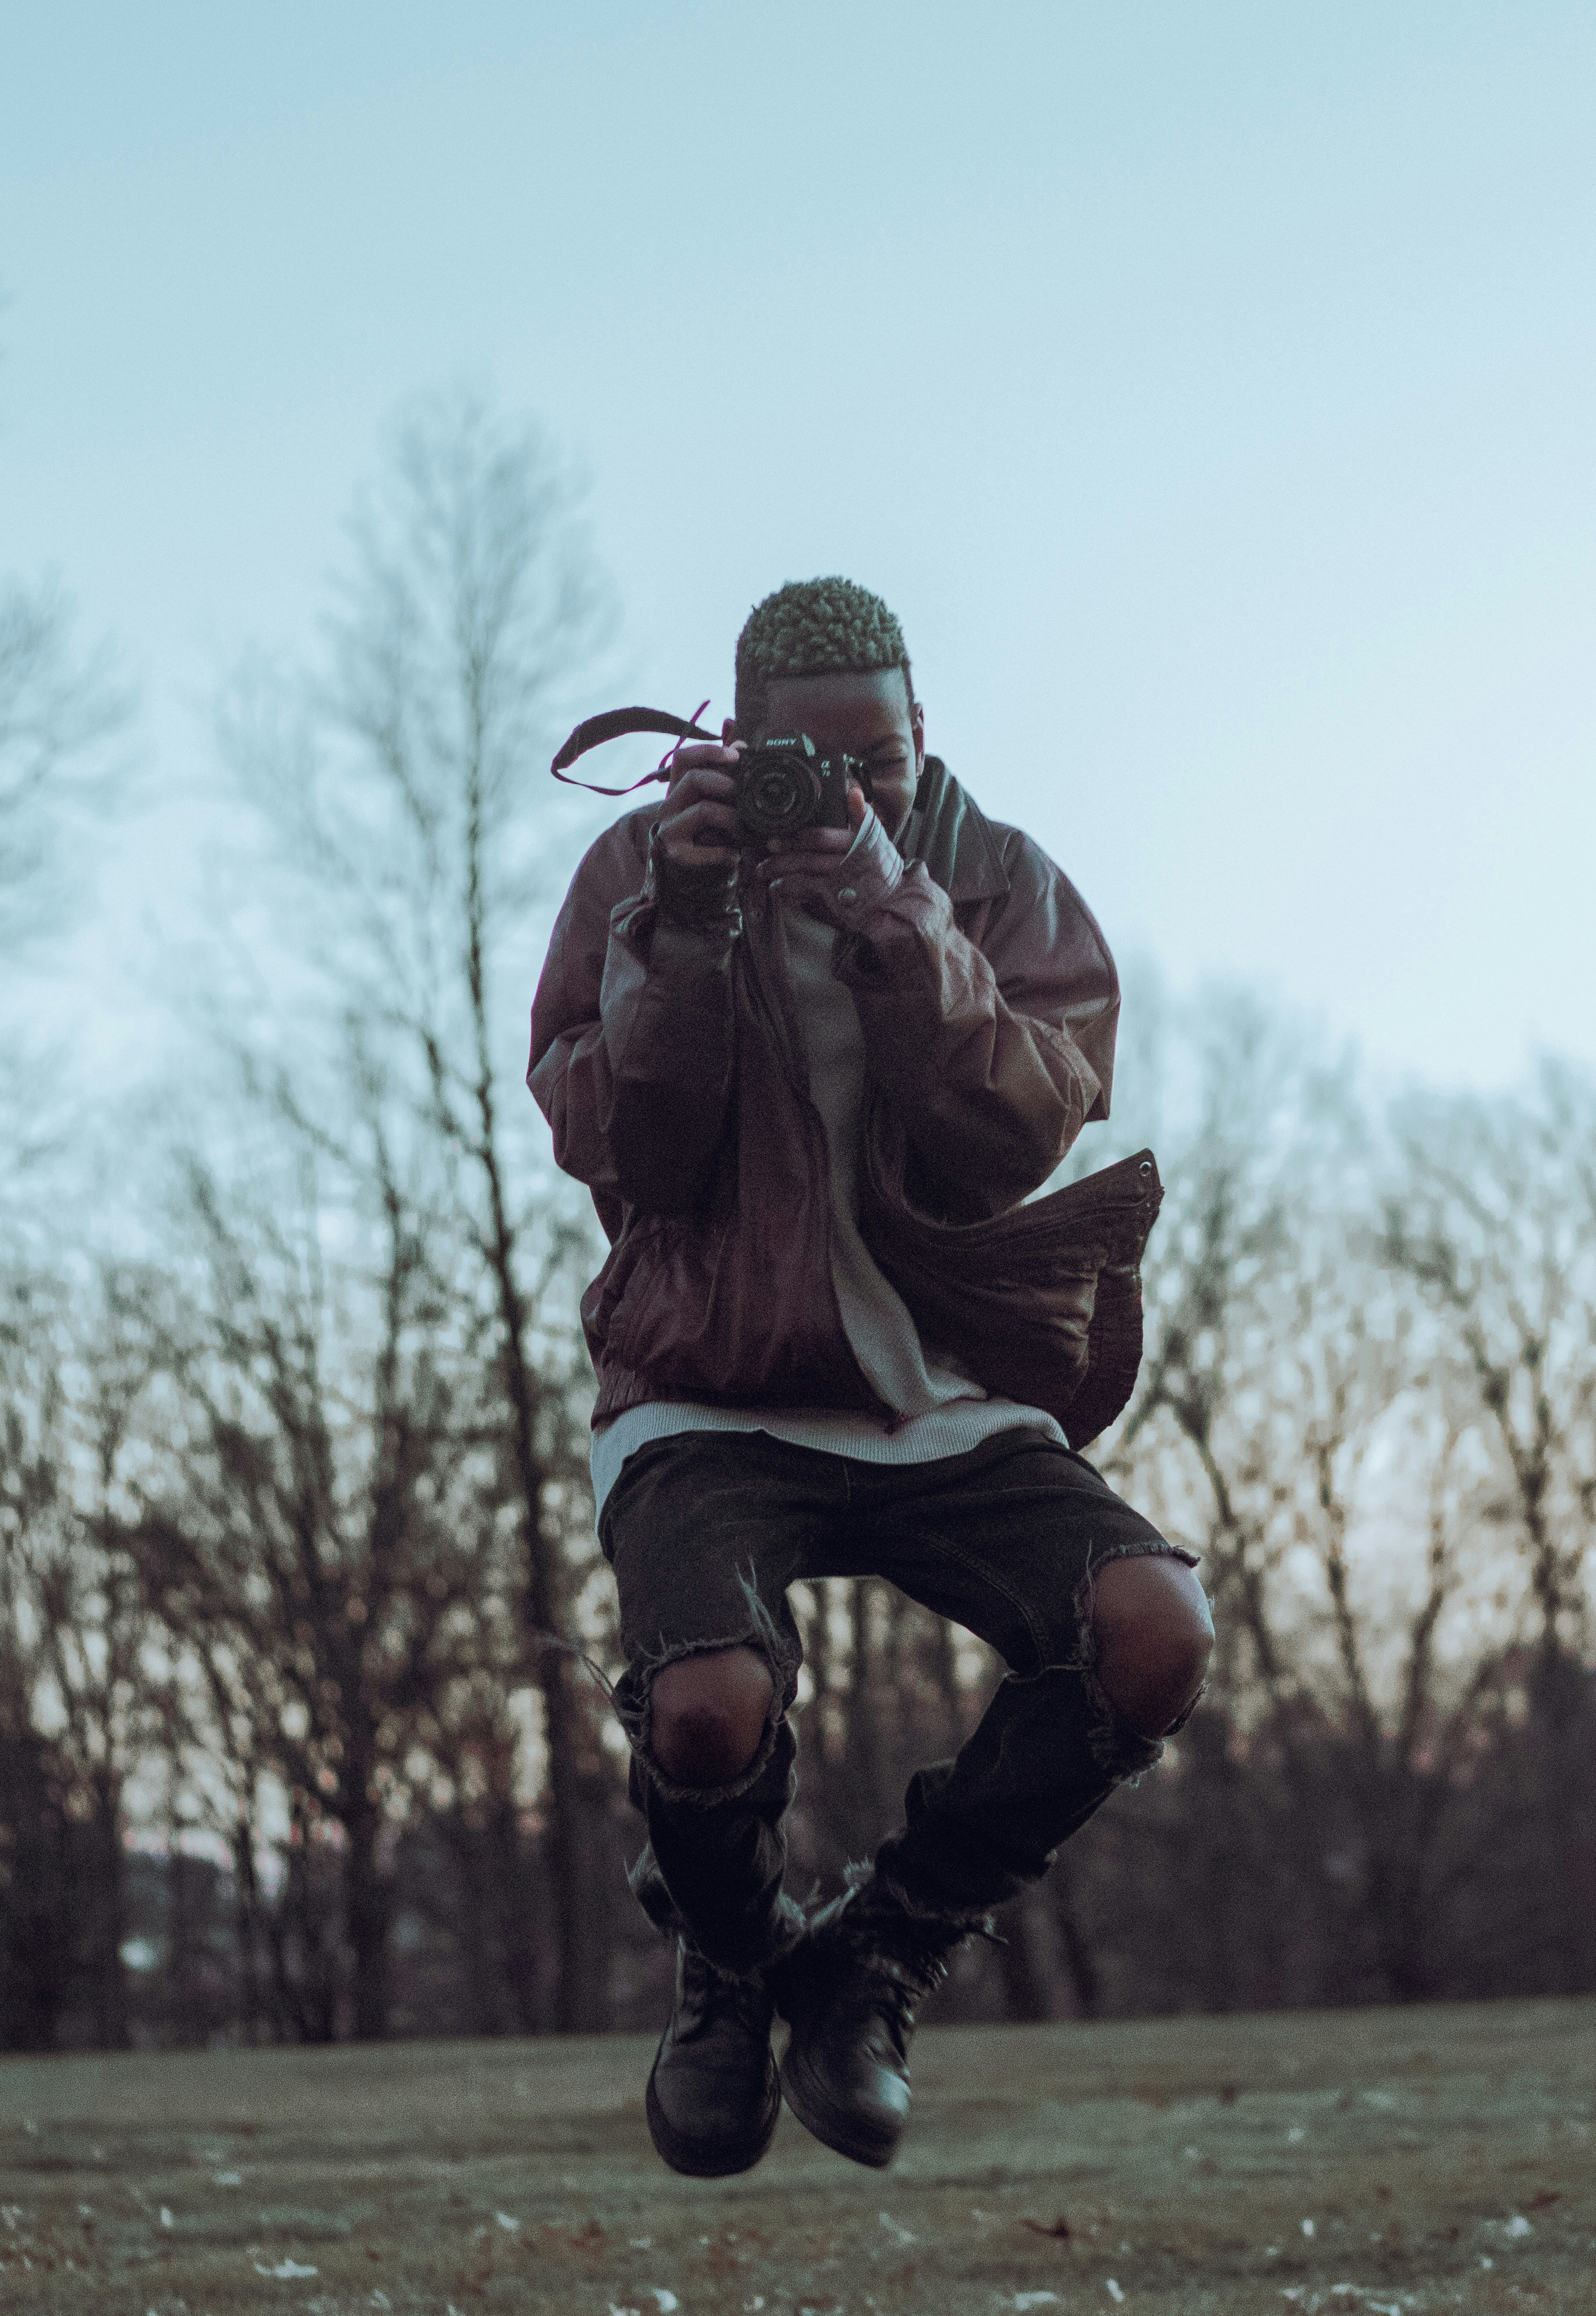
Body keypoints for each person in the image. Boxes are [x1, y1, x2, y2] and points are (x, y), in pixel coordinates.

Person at [529, 576, 1212, 2176]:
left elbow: (1016, 1130)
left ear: (923, 738)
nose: (844, 792)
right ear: (737, 743)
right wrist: (687, 932)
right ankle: (734, 1963)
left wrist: (889, 900)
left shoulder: (998, 882)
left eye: (879, 760)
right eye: (807, 765)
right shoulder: (642, 871)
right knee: (705, 1708)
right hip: (710, 1377)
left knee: (1152, 1634)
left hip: (946, 1382)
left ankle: (876, 1955)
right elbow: (625, 1148)